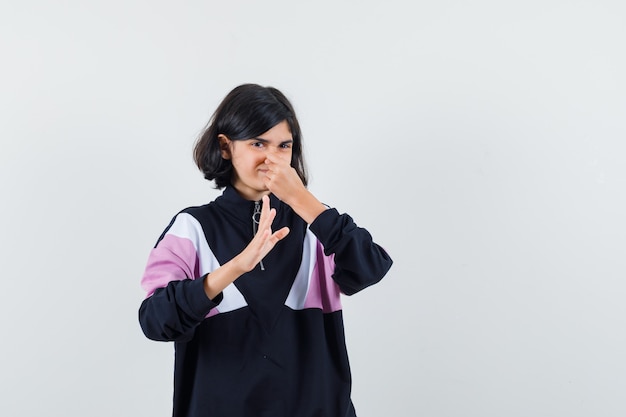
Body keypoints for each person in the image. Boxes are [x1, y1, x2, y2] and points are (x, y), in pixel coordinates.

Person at [138, 83, 393, 417]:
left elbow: (369, 268)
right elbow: (156, 322)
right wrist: (234, 268)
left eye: (284, 145)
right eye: (258, 143)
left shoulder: (318, 223)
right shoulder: (192, 227)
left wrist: (302, 200)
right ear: (225, 147)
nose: (272, 157)